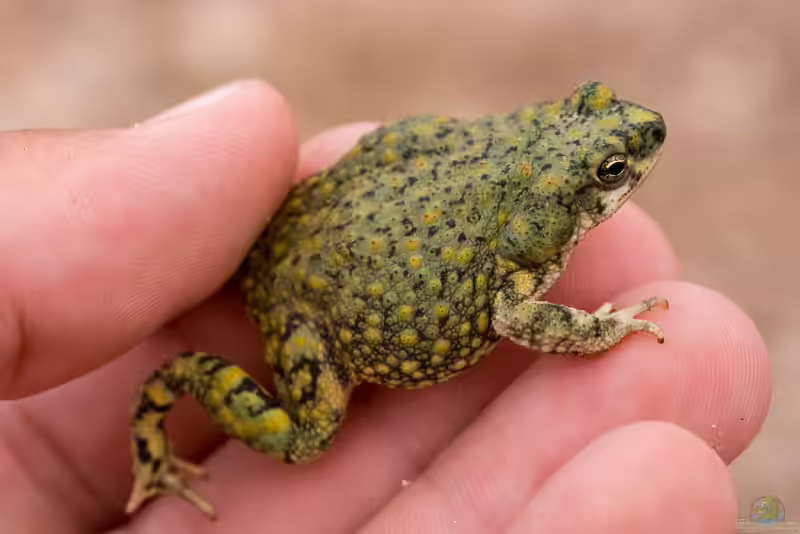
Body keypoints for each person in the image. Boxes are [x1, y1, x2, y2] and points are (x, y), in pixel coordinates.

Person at [0, 80, 770, 533]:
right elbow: (517, 317)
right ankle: (160, 402)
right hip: (316, 309)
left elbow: (414, 149)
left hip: (329, 227)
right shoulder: (524, 248)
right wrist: (604, 331)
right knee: (307, 438)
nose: (635, 147)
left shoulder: (509, 192)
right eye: (611, 168)